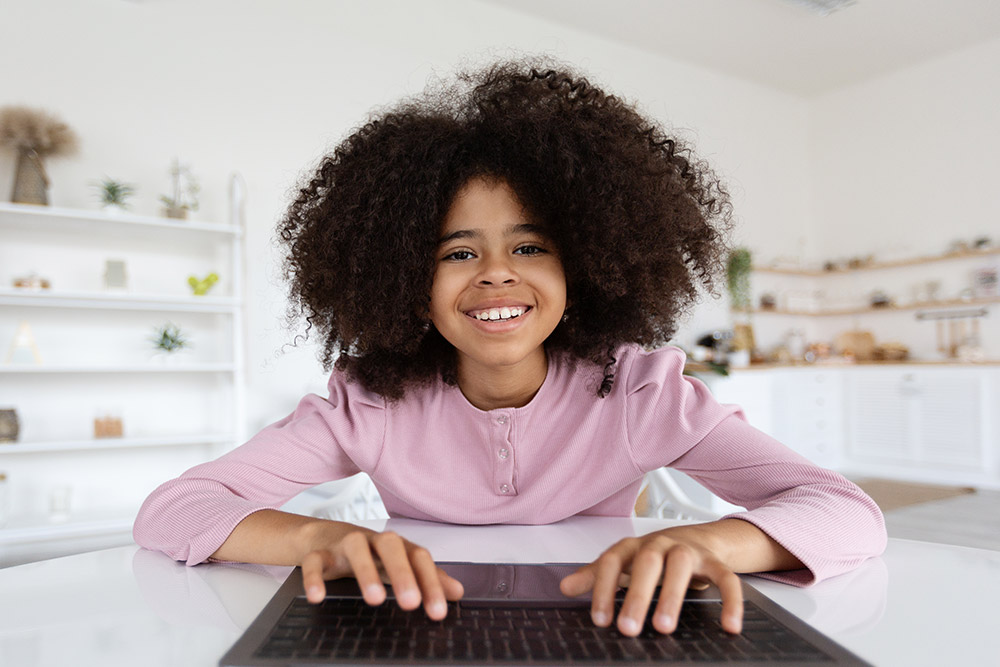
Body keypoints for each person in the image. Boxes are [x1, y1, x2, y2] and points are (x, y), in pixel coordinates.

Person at [133, 58, 886, 638]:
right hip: (417, 633)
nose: (497, 271)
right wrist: (314, 535)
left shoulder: (638, 392)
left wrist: (711, 542)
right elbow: (174, 509)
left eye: (529, 244)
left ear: (582, 263)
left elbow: (845, 511)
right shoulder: (369, 403)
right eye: (457, 252)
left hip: (600, 629)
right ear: (406, 278)